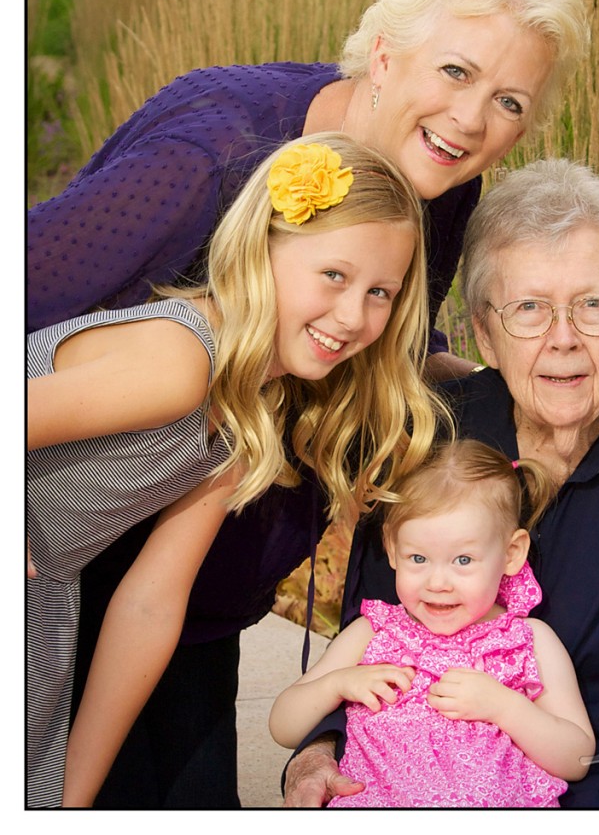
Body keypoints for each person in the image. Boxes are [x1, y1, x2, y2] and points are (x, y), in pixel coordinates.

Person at [27, 0, 589, 807]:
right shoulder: (210, 163)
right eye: (455, 71)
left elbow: (386, 355)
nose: (476, 119)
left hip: (171, 592)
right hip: (63, 562)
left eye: (511, 100)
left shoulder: (429, 191)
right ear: (383, 50)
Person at [288, 158, 599, 808]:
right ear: (485, 332)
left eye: (592, 306)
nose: (563, 339)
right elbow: (368, 639)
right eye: (529, 309)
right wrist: (315, 755)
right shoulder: (425, 439)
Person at [27, 135, 443, 807]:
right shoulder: (180, 362)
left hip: (43, 603)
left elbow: (151, 603)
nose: (352, 315)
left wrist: (70, 795)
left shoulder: (245, 423)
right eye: (333, 276)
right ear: (264, 248)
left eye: (380, 293)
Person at [270, 439, 595, 807]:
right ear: (392, 548)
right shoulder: (373, 633)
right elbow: (283, 724)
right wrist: (338, 684)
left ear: (511, 553)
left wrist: (505, 707)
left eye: (463, 560)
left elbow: (578, 757)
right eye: (419, 558)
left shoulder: (526, 641)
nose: (438, 582)